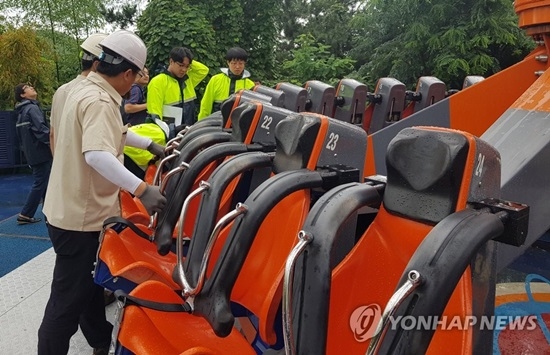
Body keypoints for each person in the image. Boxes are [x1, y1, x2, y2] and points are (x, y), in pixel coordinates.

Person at [38, 29, 167, 355]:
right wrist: (142, 189)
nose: (135, 82)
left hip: (68, 209)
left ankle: (99, 340)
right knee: (65, 304)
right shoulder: (98, 100)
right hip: (79, 219)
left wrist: (150, 144)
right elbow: (96, 155)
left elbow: (117, 133)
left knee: (88, 286)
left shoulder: (85, 90)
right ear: (127, 73)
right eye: (136, 76)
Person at [49, 33, 108, 154]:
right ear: (97, 64)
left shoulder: (60, 91)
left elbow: (52, 134)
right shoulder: (98, 94)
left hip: (61, 167)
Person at [14, 84, 53, 225]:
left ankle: (49, 213)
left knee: (44, 182)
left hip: (31, 152)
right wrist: (53, 142)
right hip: (41, 152)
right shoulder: (32, 108)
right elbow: (41, 130)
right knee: (40, 182)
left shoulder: (21, 111)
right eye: (27, 87)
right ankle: (26, 213)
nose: (32, 88)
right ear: (22, 95)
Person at [147, 46, 209, 132]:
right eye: (181, 65)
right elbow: (155, 115)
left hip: (188, 132)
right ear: (171, 61)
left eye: (187, 66)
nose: (184, 70)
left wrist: (187, 59)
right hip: (168, 133)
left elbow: (203, 70)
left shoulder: (188, 79)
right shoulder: (158, 82)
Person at [198, 47, 255, 120]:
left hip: (238, 126)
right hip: (216, 123)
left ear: (245, 64)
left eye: (241, 63)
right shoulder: (215, 80)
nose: (237, 67)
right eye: (234, 63)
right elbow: (205, 105)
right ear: (228, 62)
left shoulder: (250, 85)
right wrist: (201, 123)